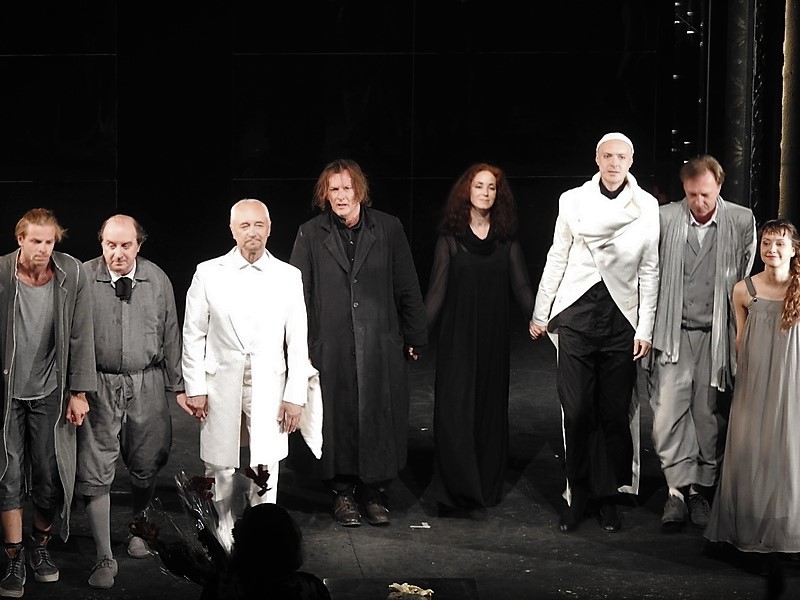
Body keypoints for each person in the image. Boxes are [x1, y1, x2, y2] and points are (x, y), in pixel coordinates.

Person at [529, 132, 659, 534]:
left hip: (621, 319)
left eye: (621, 156)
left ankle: (607, 497)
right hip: (577, 315)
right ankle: (578, 494)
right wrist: (541, 311)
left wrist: (646, 327)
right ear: (597, 159)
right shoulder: (573, 200)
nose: (614, 162)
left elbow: (650, 269)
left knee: (614, 413)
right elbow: (558, 255)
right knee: (577, 411)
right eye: (607, 156)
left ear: (631, 161)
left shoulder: (646, 205)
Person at [289, 159, 428, 527]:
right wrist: (297, 347)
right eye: (333, 189)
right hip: (331, 345)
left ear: (359, 191)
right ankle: (342, 492)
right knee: (337, 418)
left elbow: (407, 284)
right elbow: (296, 295)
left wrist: (415, 334)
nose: (341, 196)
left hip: (378, 343)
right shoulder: (310, 233)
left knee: (377, 415)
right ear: (325, 194)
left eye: (346, 188)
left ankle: (373, 491)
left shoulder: (388, 228)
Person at [182, 198, 321, 552]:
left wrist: (295, 396)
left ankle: (264, 533)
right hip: (220, 382)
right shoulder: (208, 272)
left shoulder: (288, 276)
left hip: (269, 382)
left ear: (269, 229)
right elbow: (193, 333)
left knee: (266, 461)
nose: (252, 232)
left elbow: (297, 341)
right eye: (244, 226)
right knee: (219, 462)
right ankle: (223, 531)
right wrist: (195, 387)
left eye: (259, 225)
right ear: (232, 230)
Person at [76, 214, 190, 589]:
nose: (118, 253)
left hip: (147, 382)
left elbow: (171, 334)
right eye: (111, 245)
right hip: (98, 384)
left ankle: (139, 527)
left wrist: (179, 386)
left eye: (126, 245)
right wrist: (76, 389)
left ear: (139, 245)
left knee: (146, 460)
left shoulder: (156, 279)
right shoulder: (84, 278)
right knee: (95, 466)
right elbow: (73, 337)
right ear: (101, 244)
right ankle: (104, 555)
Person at [647, 155, 756, 533]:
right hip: (673, 333)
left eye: (706, 194)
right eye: (692, 194)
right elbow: (650, 273)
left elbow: (744, 279)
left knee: (708, 415)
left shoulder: (740, 220)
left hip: (715, 335)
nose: (698, 201)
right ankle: (674, 491)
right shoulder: (665, 218)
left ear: (719, 187)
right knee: (667, 413)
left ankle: (698, 491)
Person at [424, 163, 534, 516]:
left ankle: (484, 487)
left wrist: (540, 318)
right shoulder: (450, 238)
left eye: (491, 188)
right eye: (479, 186)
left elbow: (521, 285)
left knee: (488, 410)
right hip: (457, 337)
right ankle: (456, 491)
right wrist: (417, 334)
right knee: (455, 410)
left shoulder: (505, 239)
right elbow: (436, 291)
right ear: (466, 191)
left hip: (492, 338)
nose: (485, 193)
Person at [0, 208, 96, 598]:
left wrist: (79, 392)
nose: (43, 249)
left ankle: (39, 545)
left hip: (49, 392)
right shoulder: (3, 273)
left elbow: (81, 335)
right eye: (36, 241)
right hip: (7, 395)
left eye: (49, 241)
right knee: (7, 473)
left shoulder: (71, 272)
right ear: (20, 239)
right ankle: (14, 556)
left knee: (49, 475)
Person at [704, 218, 800, 599]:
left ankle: (786, 534)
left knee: (788, 455)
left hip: (791, 384)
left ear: (793, 250)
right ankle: (750, 533)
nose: (771, 249)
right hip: (756, 382)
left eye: (779, 244)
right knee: (752, 454)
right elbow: (741, 340)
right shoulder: (744, 290)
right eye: (766, 243)